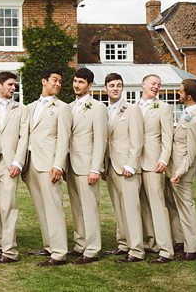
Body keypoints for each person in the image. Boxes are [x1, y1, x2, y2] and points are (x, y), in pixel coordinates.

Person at [24, 69, 72, 267]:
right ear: (44, 81)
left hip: (49, 164)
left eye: (60, 81)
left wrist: (58, 164)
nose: (58, 84)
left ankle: (59, 252)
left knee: (53, 207)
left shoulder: (63, 108)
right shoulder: (30, 107)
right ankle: (49, 245)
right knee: (41, 208)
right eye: (55, 80)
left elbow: (64, 139)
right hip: (31, 164)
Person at [0, 72, 29, 265]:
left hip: (10, 163)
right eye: (10, 85)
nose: (14, 88)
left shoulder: (21, 109)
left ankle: (10, 251)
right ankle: (1, 246)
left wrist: (18, 162)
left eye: (15, 85)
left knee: (8, 206)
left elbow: (24, 137)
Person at [101, 73, 145, 263]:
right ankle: (123, 244)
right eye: (112, 85)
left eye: (119, 85)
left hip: (126, 167)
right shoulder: (104, 110)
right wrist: (103, 165)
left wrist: (131, 164)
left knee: (131, 209)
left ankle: (136, 250)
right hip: (111, 166)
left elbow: (137, 140)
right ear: (105, 89)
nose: (115, 88)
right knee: (119, 208)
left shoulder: (132, 109)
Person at [66, 68, 107, 265]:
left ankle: (92, 249)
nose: (76, 85)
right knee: (76, 207)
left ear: (89, 85)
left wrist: (95, 168)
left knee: (90, 208)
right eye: (75, 81)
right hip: (71, 165)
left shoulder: (97, 107)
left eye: (81, 82)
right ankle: (80, 244)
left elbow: (100, 140)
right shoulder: (69, 106)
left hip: (87, 165)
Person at [165, 79, 196, 261]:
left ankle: (193, 249)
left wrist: (179, 173)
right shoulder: (188, 113)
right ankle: (180, 241)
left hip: (181, 173)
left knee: (187, 208)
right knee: (174, 207)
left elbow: (192, 152)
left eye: (181, 92)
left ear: (188, 97)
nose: (178, 94)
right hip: (173, 170)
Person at [137, 74, 175, 264]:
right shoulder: (132, 107)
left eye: (159, 85)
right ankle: (150, 243)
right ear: (143, 84)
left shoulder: (164, 108)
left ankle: (166, 250)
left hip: (153, 163)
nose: (156, 87)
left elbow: (168, 138)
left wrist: (163, 159)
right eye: (153, 83)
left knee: (158, 205)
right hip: (135, 164)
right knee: (142, 205)